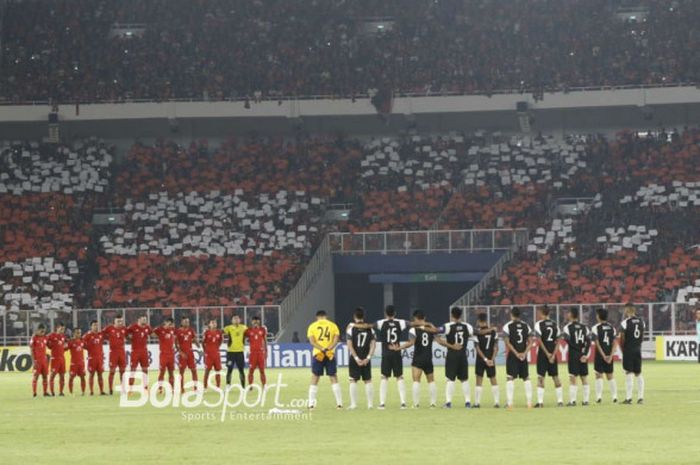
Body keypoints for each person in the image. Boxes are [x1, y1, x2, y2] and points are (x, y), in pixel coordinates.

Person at [396, 310, 439, 408]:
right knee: (431, 381)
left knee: (416, 380)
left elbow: (410, 343)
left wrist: (399, 347)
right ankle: (433, 403)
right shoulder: (430, 329)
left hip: (418, 358)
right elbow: (437, 333)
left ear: (415, 318)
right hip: (428, 358)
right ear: (424, 318)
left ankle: (416, 404)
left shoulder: (413, 330)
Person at [435, 307, 473, 408]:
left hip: (452, 355)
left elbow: (437, 336)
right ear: (461, 315)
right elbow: (476, 333)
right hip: (463, 355)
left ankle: (448, 403)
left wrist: (451, 346)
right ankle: (468, 402)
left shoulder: (447, 326)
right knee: (464, 379)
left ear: (451, 315)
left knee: (450, 379)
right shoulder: (468, 326)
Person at [307, 310, 343, 409]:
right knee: (333, 376)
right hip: (329, 354)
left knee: (315, 377)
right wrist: (328, 348)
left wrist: (321, 348)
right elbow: (336, 340)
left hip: (318, 354)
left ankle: (311, 404)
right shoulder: (333, 325)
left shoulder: (312, 326)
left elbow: (312, 342)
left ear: (317, 317)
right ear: (326, 316)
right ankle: (339, 404)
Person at [375, 305, 409, 409]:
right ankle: (403, 403)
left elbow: (368, 326)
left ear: (385, 313)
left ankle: (382, 403)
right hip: (396, 353)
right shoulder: (400, 322)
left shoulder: (381, 323)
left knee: (384, 377)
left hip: (386, 354)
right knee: (399, 377)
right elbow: (412, 323)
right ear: (395, 313)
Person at [503, 307, 534, 409]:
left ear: (511, 314)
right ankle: (529, 403)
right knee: (526, 378)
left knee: (510, 378)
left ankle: (510, 403)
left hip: (513, 356)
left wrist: (516, 353)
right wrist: (524, 353)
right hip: (523, 356)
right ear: (519, 315)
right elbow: (531, 342)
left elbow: (507, 342)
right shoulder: (526, 326)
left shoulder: (507, 326)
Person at [346, 307, 376, 410]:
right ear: (363, 316)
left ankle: (354, 404)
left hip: (355, 358)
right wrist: (368, 357)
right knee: (368, 380)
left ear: (354, 316)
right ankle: (370, 404)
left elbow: (350, 345)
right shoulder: (370, 329)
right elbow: (373, 344)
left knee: (353, 380)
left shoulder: (351, 328)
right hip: (365, 357)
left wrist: (356, 358)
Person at [533, 306, 563, 407]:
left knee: (541, 377)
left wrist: (547, 354)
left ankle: (540, 402)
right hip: (553, 354)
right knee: (555, 377)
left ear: (542, 313)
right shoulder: (555, 325)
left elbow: (539, 340)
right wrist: (553, 354)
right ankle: (560, 401)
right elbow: (558, 341)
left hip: (543, 354)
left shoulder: (539, 324)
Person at [562, 308, 591, 406]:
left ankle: (573, 401)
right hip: (583, 355)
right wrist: (585, 354)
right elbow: (588, 342)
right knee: (584, 377)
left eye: (568, 312)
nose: (567, 314)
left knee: (573, 377)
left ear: (571, 314)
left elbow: (568, 341)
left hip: (574, 354)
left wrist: (577, 350)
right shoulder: (584, 327)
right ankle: (586, 401)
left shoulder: (567, 327)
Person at [619, 304, 645, 404]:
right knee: (638, 373)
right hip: (637, 349)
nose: (624, 311)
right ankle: (640, 398)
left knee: (628, 372)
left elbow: (622, 338)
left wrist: (623, 349)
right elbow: (642, 335)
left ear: (628, 310)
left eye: (625, 309)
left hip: (628, 349)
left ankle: (628, 398)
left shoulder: (625, 323)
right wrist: (638, 345)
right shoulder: (641, 321)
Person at [591, 308, 618, 403]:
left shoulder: (595, 328)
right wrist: (610, 356)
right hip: (609, 354)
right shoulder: (612, 328)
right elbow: (615, 343)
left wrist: (603, 356)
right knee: (610, 375)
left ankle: (599, 397)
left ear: (598, 316)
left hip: (600, 355)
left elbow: (597, 343)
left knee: (599, 375)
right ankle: (614, 397)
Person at [473, 313, 500, 408]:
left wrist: (485, 359)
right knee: (493, 379)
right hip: (490, 359)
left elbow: (477, 348)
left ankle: (477, 403)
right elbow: (496, 348)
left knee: (479, 380)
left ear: (479, 321)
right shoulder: (494, 332)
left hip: (481, 360)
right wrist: (491, 359)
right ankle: (496, 403)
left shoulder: (476, 332)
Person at [102, 316, 127, 395]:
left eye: (121, 321)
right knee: (112, 371)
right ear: (114, 321)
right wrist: (107, 338)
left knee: (122, 372)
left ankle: (123, 389)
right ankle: (110, 389)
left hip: (122, 352)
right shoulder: (109, 328)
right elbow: (102, 334)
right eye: (118, 321)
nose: (120, 323)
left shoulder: (124, 329)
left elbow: (129, 335)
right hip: (113, 353)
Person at [127, 316, 152, 390]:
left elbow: (152, 333)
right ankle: (130, 387)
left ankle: (145, 387)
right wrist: (129, 337)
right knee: (133, 370)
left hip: (144, 351)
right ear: (139, 320)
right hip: (135, 351)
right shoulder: (133, 327)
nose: (145, 321)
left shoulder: (147, 327)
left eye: (145, 319)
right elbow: (126, 333)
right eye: (143, 319)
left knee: (145, 370)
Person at [223, 315, 248, 387]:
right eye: (234, 319)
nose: (236, 320)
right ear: (232, 321)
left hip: (240, 352)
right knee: (229, 369)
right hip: (231, 352)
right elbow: (219, 333)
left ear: (240, 320)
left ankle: (243, 386)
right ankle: (228, 385)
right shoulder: (228, 328)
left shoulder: (244, 327)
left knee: (241, 370)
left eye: (237, 319)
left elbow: (250, 334)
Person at [175, 317, 199, 391]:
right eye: (185, 322)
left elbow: (194, 339)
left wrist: (197, 343)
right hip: (183, 354)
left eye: (188, 321)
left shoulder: (191, 330)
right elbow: (176, 344)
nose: (187, 323)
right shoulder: (178, 331)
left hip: (190, 353)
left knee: (194, 370)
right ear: (182, 323)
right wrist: (181, 353)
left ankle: (195, 388)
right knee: (181, 372)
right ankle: (181, 388)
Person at [83, 320, 106, 395]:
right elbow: (81, 343)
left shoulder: (100, 334)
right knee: (91, 374)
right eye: (94, 325)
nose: (96, 327)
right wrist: (87, 348)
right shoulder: (88, 335)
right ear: (91, 326)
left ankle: (101, 391)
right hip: (92, 358)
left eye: (97, 325)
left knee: (100, 374)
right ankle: (91, 391)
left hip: (99, 358)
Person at [154, 318, 176, 391]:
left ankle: (172, 388)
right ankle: (160, 388)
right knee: (162, 372)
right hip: (163, 355)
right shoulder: (160, 329)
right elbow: (152, 334)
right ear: (165, 322)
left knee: (171, 372)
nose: (170, 326)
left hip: (171, 355)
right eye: (169, 324)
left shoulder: (172, 330)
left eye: (171, 324)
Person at [245, 316, 268, 387]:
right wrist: (246, 350)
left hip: (260, 353)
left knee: (262, 370)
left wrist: (266, 351)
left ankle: (264, 385)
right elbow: (242, 339)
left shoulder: (262, 330)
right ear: (252, 322)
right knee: (251, 370)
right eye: (254, 321)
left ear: (259, 321)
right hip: (253, 354)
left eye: (257, 320)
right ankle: (250, 386)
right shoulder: (248, 330)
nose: (256, 322)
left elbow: (265, 340)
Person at [46, 322, 67, 396]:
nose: (63, 330)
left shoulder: (63, 337)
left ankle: (61, 392)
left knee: (62, 376)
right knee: (52, 375)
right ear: (57, 328)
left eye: (64, 329)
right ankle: (52, 392)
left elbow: (64, 345)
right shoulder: (51, 335)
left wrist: (65, 347)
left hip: (62, 358)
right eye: (61, 329)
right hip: (55, 358)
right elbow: (45, 340)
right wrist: (49, 345)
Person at [202, 319, 223, 390]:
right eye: (212, 323)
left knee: (218, 371)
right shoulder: (206, 333)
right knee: (207, 371)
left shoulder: (219, 332)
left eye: (215, 323)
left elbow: (220, 341)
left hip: (216, 355)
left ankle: (218, 387)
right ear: (209, 324)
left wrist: (216, 348)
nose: (214, 324)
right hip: (209, 355)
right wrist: (206, 351)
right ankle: (205, 387)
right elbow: (203, 343)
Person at [30, 324, 49, 397]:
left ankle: (45, 392)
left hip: (44, 360)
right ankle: (34, 393)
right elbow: (31, 350)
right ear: (37, 330)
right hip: (37, 361)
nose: (43, 332)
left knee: (45, 376)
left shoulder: (45, 337)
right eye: (41, 330)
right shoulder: (34, 338)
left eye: (44, 330)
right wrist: (33, 361)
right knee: (36, 376)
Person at [66, 328, 86, 396]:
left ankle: (83, 392)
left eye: (80, 333)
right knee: (71, 377)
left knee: (82, 377)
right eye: (77, 333)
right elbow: (65, 348)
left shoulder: (82, 341)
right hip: (74, 363)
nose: (79, 334)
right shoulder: (71, 342)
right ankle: (71, 392)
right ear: (74, 333)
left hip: (81, 363)